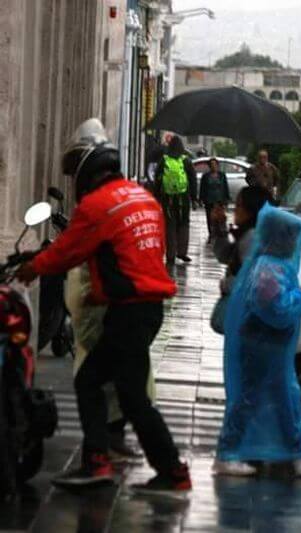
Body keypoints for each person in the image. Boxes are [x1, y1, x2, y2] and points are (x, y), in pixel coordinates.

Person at [17, 118, 190, 495]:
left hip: (129, 312)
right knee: (128, 394)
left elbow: (68, 251)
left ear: (86, 168)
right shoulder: (141, 197)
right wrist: (101, 291)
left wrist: (32, 268)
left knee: (92, 380)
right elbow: (130, 256)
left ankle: (111, 463)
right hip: (146, 308)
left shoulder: (99, 204)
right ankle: (164, 469)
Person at [215, 203, 301, 477]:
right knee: (255, 399)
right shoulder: (269, 269)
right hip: (263, 346)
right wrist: (300, 297)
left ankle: (298, 453)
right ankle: (230, 452)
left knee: (284, 398)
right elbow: (277, 309)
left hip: (266, 346)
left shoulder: (268, 265)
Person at [65, 263, 157, 463]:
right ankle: (106, 446)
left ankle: (106, 447)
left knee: (111, 385)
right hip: (109, 298)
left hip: (114, 299)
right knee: (107, 384)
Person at [213, 187, 272, 303]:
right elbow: (225, 255)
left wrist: (227, 284)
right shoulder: (248, 233)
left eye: (239, 205)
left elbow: (252, 281)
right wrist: (220, 225)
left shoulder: (252, 237)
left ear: (251, 210)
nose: (235, 209)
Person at [155, 135, 198, 266]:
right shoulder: (186, 160)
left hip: (167, 199)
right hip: (183, 198)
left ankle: (170, 254)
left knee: (169, 224)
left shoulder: (164, 159)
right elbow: (193, 180)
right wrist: (194, 198)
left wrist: (156, 196)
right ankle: (182, 251)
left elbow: (158, 179)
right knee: (184, 223)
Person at [199, 157, 231, 236]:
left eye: (215, 164)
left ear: (217, 165)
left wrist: (226, 199)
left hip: (219, 200)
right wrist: (201, 199)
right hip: (209, 200)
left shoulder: (222, 175)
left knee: (220, 217)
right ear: (209, 166)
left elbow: (225, 187)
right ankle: (211, 233)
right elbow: (202, 188)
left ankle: (220, 232)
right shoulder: (205, 176)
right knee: (210, 218)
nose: (213, 166)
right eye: (211, 165)